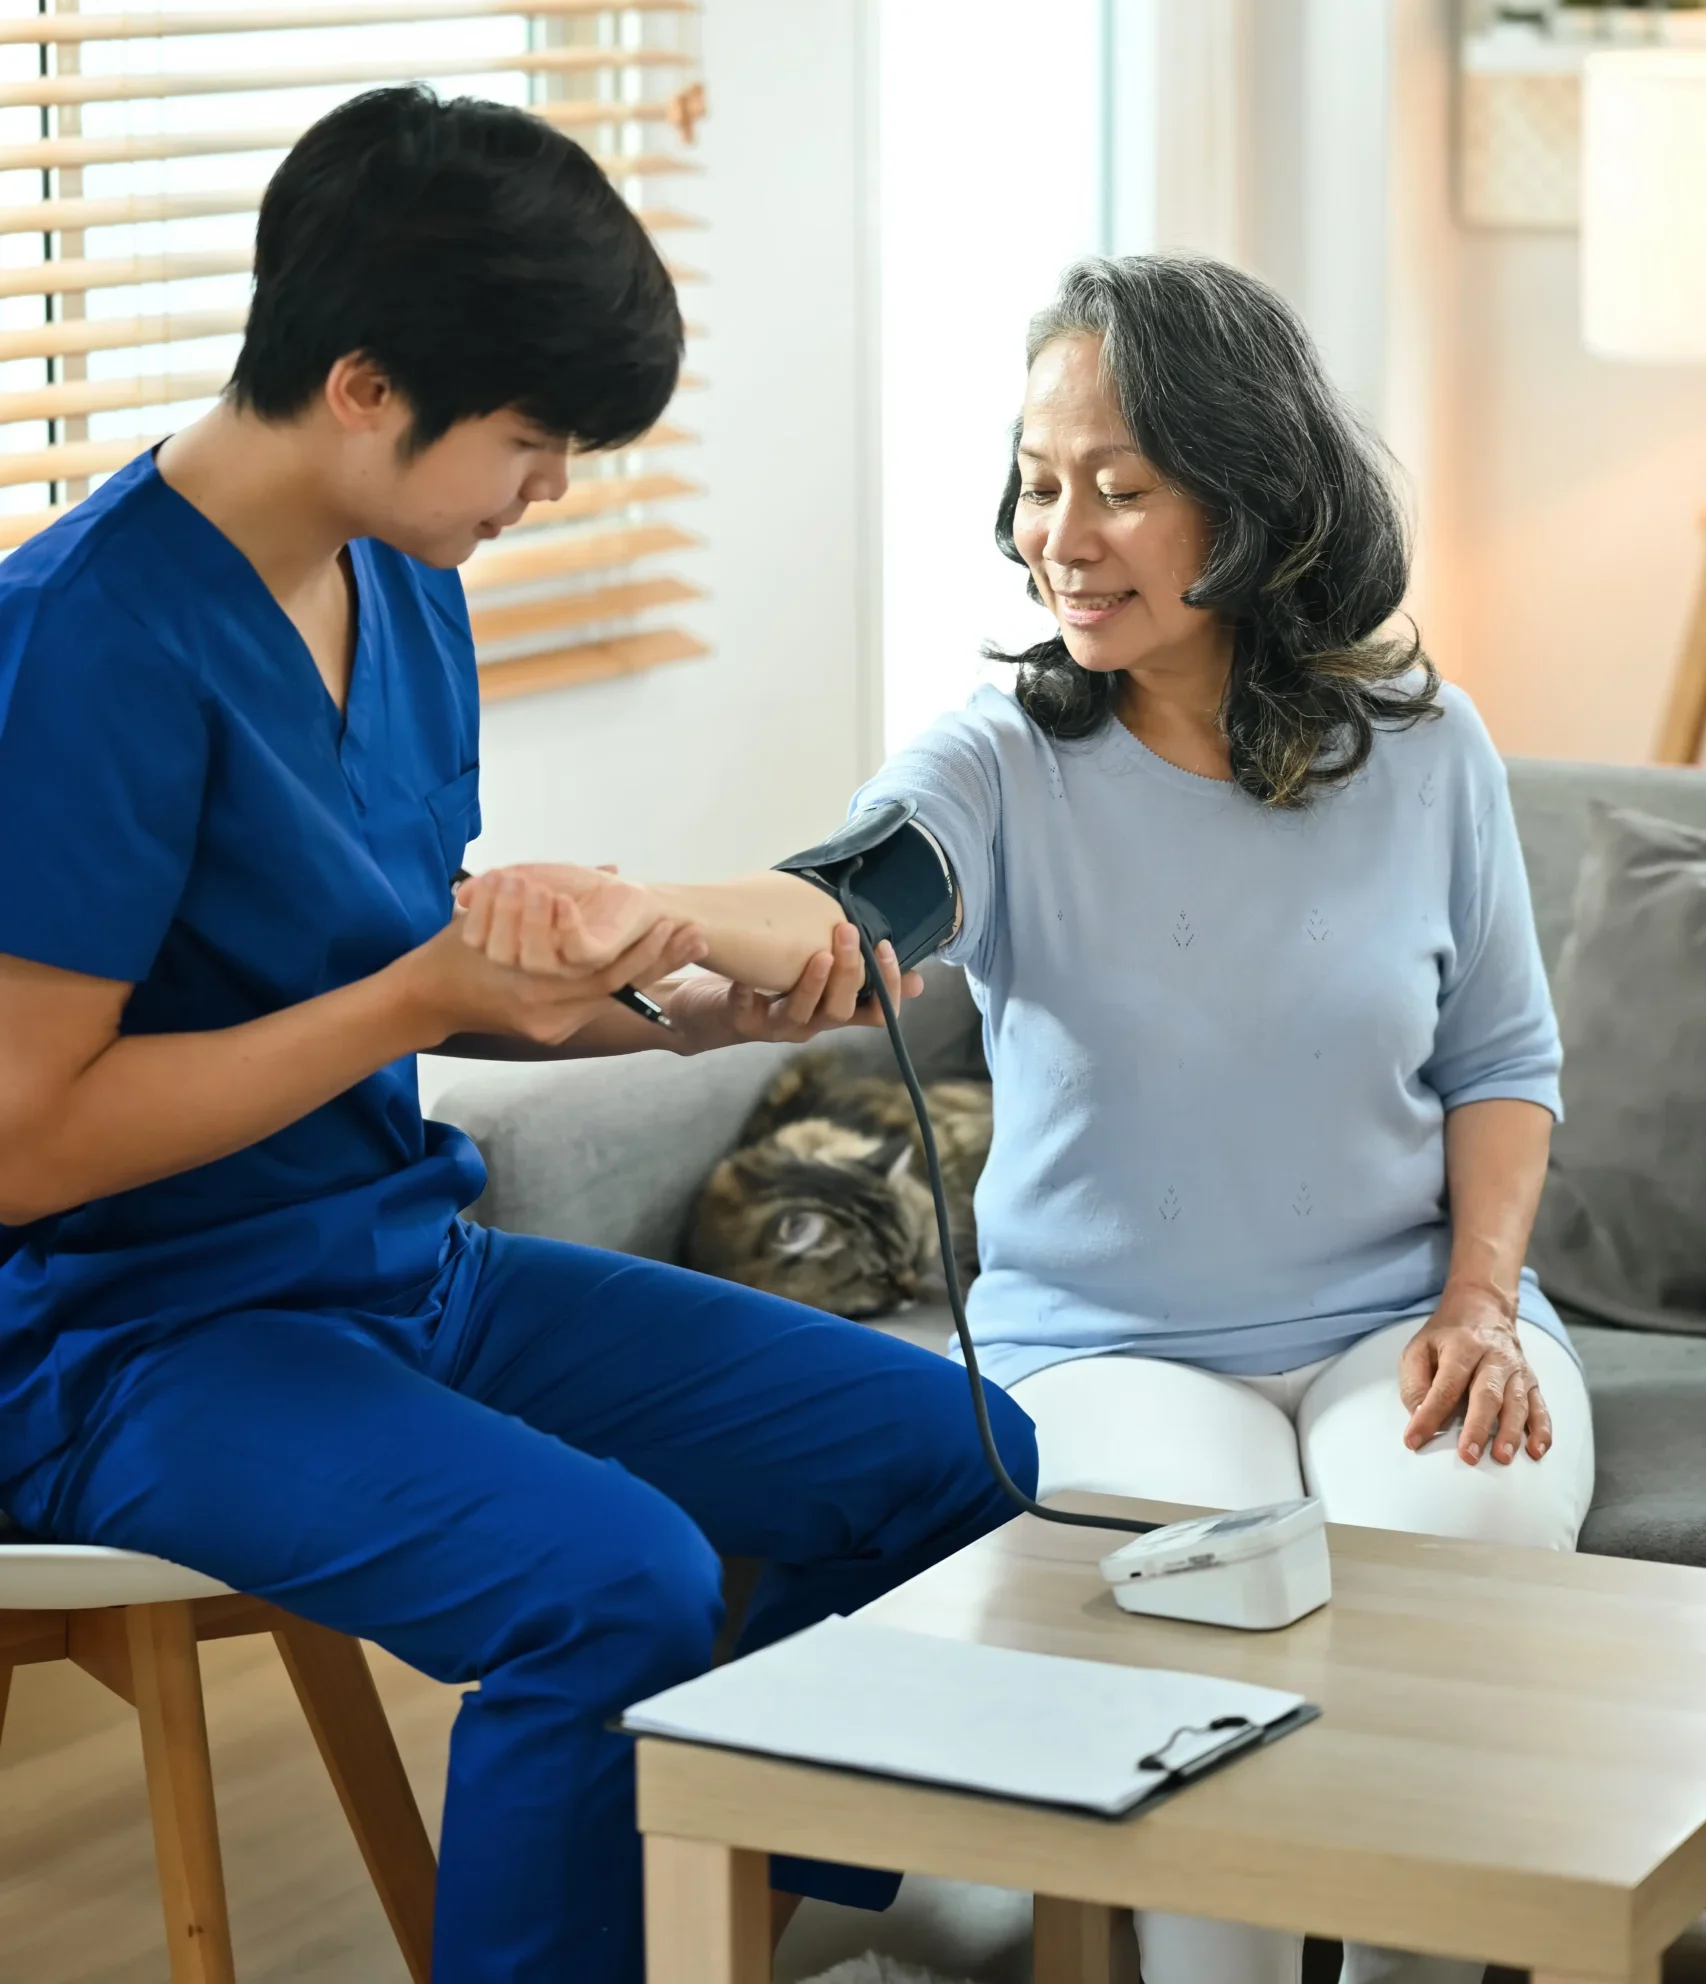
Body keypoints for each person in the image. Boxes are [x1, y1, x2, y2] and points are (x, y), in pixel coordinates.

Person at [0, 88, 1036, 1984]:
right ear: (367, 384)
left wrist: (676, 1021)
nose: (552, 487)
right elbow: (25, 1141)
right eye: (534, 441)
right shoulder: (79, 646)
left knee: (952, 1452)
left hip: (396, 1267)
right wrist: (417, 1000)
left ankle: (704, 1931)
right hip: (120, 1340)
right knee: (606, 1583)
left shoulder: (407, 582)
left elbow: (424, 972)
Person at [704, 253, 1589, 1984]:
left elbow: (1501, 1061)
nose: (1064, 534)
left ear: (1250, 501)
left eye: (1120, 487)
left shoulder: (1424, 748)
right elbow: (848, 898)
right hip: (1107, 1353)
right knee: (1204, 1705)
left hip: (1405, 1322)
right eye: (1039, 487)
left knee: (1446, 1660)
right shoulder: (997, 760)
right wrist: (666, 932)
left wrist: (1479, 1302)